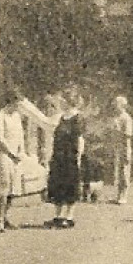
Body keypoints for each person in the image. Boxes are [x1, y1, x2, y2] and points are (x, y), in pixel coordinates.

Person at [45, 89, 86, 228]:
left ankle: (69, 216)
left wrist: (78, 156)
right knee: (57, 184)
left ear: (70, 101)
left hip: (70, 156)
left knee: (70, 184)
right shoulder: (61, 117)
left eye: (63, 100)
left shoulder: (78, 118)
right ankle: (58, 216)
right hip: (59, 156)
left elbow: (80, 139)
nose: (61, 102)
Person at [0, 89, 26, 232]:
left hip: (15, 156)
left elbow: (20, 135)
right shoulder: (0, 115)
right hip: (4, 155)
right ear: (10, 102)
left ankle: (6, 217)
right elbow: (0, 138)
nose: (18, 107)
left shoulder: (17, 116)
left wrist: (21, 151)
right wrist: (11, 153)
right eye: (16, 104)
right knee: (5, 186)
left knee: (13, 188)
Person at [106, 95, 133, 204]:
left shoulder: (126, 118)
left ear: (122, 105)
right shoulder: (116, 118)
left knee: (124, 171)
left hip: (124, 147)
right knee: (117, 172)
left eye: (116, 104)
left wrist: (126, 151)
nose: (114, 106)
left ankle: (124, 195)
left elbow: (127, 136)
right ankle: (118, 195)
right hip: (116, 147)